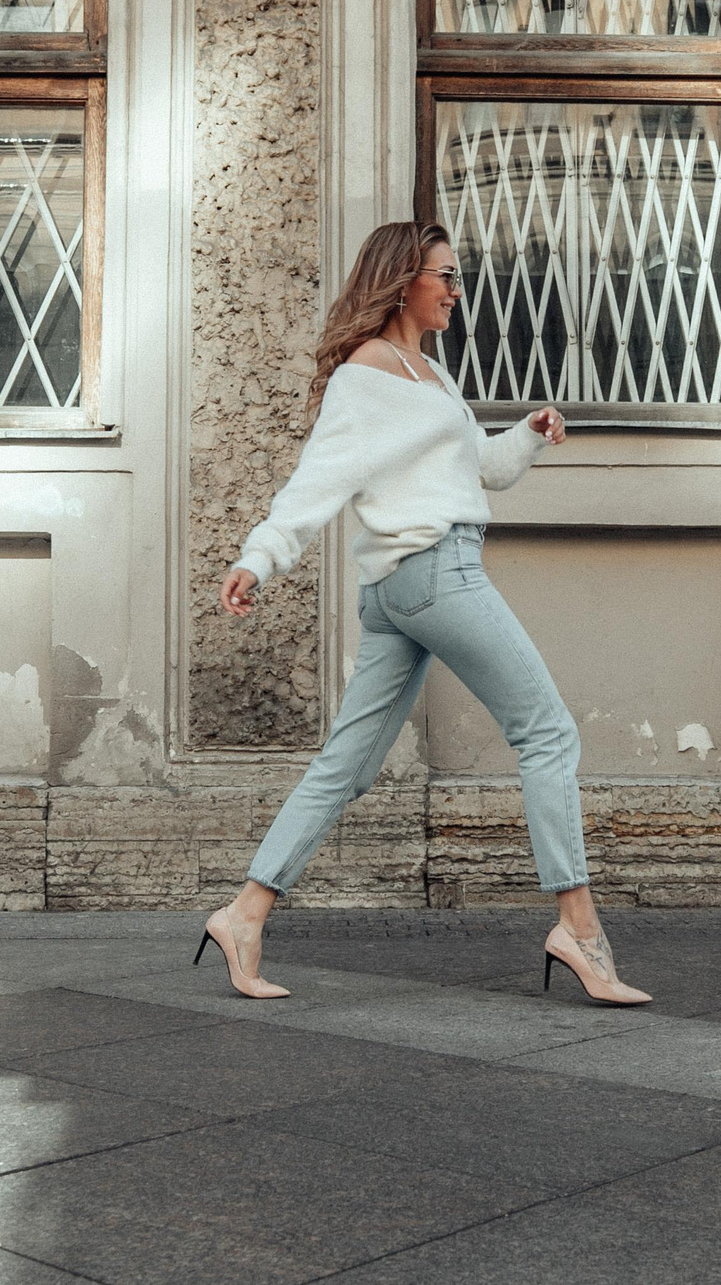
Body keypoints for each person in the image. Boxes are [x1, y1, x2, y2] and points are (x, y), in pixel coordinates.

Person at [201, 219, 651, 1006]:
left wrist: (529, 434)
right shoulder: (364, 377)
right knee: (547, 731)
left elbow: (478, 468)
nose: (455, 289)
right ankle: (578, 929)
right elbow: (315, 485)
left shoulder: (430, 376)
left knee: (347, 763)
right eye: (444, 275)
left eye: (456, 276)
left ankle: (243, 914)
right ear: (402, 279)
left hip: (401, 591)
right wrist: (257, 557)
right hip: (437, 575)